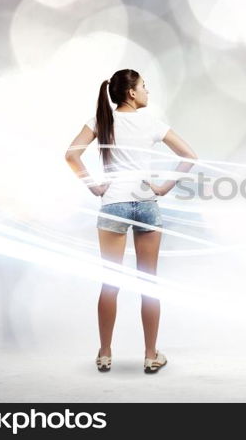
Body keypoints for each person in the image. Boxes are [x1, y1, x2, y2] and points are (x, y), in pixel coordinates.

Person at [65, 69, 197, 374]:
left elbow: (71, 155)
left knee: (110, 283)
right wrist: (163, 187)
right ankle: (151, 355)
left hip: (113, 204)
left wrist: (95, 187)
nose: (148, 92)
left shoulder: (101, 120)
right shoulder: (151, 123)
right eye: (144, 87)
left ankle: (105, 353)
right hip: (147, 203)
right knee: (148, 284)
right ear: (132, 93)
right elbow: (189, 155)